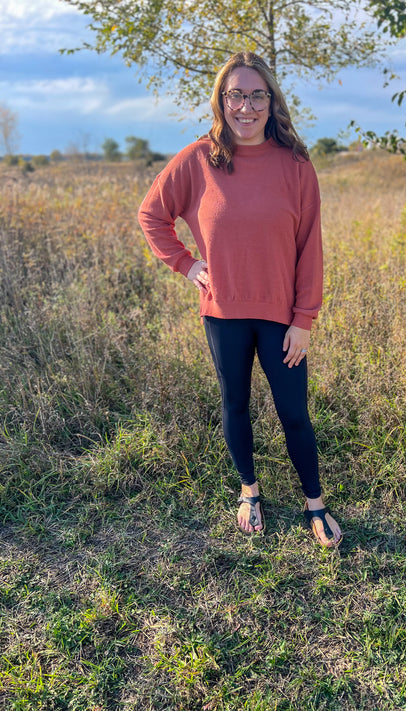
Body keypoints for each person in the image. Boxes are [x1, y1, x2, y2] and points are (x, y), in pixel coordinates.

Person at [138, 51, 342, 547]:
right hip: (224, 313)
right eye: (236, 95)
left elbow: (309, 246)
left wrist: (304, 319)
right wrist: (187, 265)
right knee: (236, 404)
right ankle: (249, 492)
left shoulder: (295, 166)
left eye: (256, 95)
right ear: (221, 100)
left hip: (281, 318)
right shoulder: (197, 160)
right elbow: (151, 215)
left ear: (271, 102)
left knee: (294, 412)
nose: (245, 106)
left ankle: (315, 502)